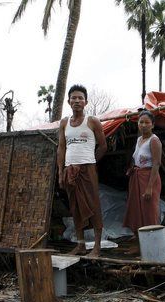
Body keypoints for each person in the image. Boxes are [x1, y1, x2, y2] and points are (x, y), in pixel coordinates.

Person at [58, 84, 108, 257]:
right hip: (70, 171)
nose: (77, 101)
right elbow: (61, 149)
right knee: (75, 207)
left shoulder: (92, 121)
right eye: (74, 98)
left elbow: (103, 146)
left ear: (86, 102)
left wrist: (90, 162)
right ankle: (80, 245)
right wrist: (60, 171)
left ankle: (97, 247)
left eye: (80, 98)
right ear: (68, 101)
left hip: (87, 169)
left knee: (93, 205)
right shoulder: (64, 123)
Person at [123, 110, 162, 250]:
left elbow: (156, 163)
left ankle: (153, 238)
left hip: (149, 177)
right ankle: (139, 233)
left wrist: (150, 187)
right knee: (136, 206)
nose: (143, 125)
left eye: (147, 122)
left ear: (152, 125)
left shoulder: (154, 140)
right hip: (137, 176)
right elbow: (137, 158)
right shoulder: (139, 140)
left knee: (149, 208)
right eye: (141, 122)